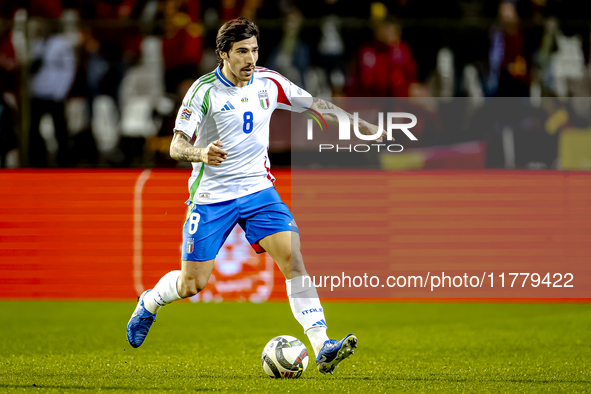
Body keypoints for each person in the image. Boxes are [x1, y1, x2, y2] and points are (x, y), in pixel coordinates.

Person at [127, 17, 383, 375]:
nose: (251, 59)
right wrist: (200, 153)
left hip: (258, 191)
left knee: (294, 260)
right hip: (212, 197)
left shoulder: (269, 81)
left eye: (255, 50)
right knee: (192, 284)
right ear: (223, 54)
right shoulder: (203, 91)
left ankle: (323, 344)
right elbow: (176, 145)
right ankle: (150, 302)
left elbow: (315, 104)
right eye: (242, 52)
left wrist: (356, 124)